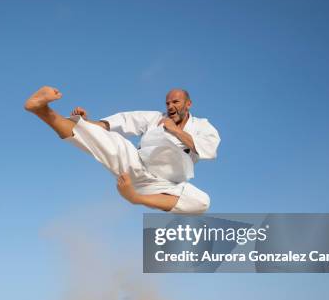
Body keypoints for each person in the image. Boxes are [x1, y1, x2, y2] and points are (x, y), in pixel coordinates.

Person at [24, 86, 220, 213]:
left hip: (166, 185)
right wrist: (87, 122)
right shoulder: (154, 118)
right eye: (167, 103)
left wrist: (176, 130)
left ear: (188, 104)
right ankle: (41, 109)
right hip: (137, 166)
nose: (170, 106)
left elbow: (209, 149)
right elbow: (123, 121)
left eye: (175, 102)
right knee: (95, 137)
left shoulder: (203, 126)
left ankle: (135, 198)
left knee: (202, 202)